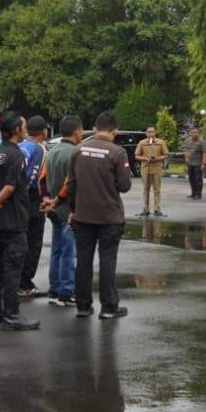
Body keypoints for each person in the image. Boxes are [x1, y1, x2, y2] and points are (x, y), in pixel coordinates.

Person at [69, 112, 132, 319]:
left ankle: (83, 306)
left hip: (83, 215)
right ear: (115, 130)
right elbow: (124, 186)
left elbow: (71, 183)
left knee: (83, 261)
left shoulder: (78, 150)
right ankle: (109, 307)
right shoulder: (117, 152)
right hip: (109, 216)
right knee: (107, 261)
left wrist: (73, 210)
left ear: (95, 128)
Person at [0, 114, 38, 330]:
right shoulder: (15, 155)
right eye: (23, 126)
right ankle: (12, 315)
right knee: (12, 269)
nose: (26, 129)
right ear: (16, 129)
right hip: (13, 222)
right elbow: (11, 186)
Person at [43, 115, 82, 306]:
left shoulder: (52, 151)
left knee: (56, 250)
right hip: (67, 209)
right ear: (77, 132)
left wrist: (49, 199)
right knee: (69, 251)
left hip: (53, 208)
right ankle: (66, 291)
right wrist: (61, 199)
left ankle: (54, 288)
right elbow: (71, 183)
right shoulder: (75, 153)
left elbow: (41, 178)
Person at [18, 116, 50, 299]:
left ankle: (18, 280)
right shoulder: (39, 149)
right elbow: (33, 176)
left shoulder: (21, 145)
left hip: (17, 199)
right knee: (33, 242)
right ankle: (25, 283)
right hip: (31, 199)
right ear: (44, 131)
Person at [134, 125, 169, 217]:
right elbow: (136, 155)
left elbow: (165, 154)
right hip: (145, 169)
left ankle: (157, 209)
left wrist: (158, 158)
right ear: (146, 133)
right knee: (146, 190)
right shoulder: (142, 143)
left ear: (155, 132)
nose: (151, 133)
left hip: (156, 169)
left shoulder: (160, 142)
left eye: (152, 131)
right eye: (149, 132)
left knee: (157, 190)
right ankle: (145, 208)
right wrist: (145, 158)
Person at [184, 128, 206, 199]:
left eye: (195, 132)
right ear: (190, 133)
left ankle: (198, 194)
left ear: (198, 133)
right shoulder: (188, 140)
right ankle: (193, 193)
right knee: (191, 179)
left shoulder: (201, 141)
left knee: (198, 179)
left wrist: (204, 163)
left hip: (198, 163)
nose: (194, 134)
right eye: (192, 133)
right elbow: (187, 151)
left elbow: (204, 153)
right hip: (190, 163)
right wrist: (186, 161)